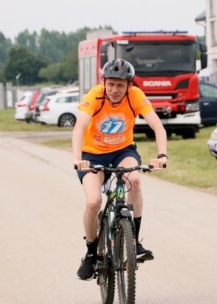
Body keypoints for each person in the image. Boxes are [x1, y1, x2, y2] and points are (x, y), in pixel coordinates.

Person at [72, 59, 168, 281]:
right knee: (93, 201)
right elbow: (79, 127)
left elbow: (157, 125)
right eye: (111, 84)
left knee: (134, 180)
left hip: (122, 151)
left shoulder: (135, 96)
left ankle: (133, 241)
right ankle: (90, 253)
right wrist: (78, 159)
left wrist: (162, 154)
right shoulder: (95, 95)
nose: (114, 90)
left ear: (129, 86)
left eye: (120, 85)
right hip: (91, 154)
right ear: (104, 82)